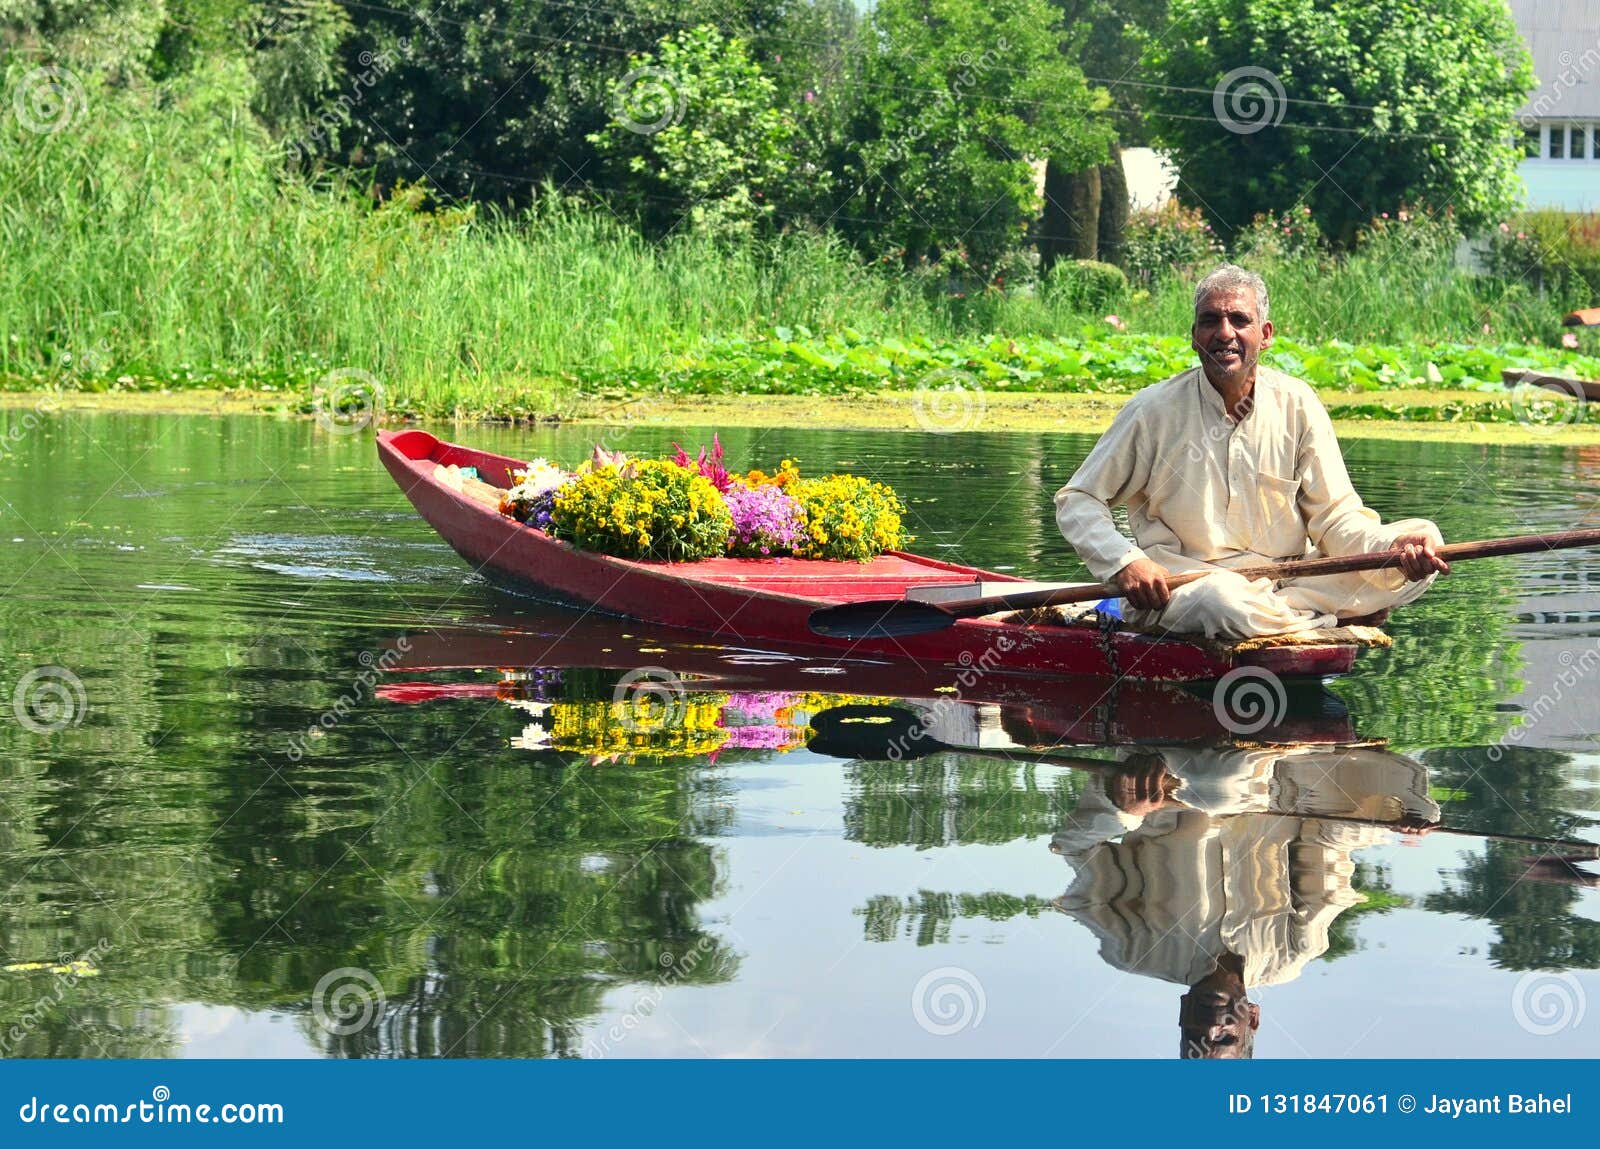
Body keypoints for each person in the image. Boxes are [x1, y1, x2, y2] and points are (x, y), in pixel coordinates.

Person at [1055, 264, 1450, 639]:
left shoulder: (1298, 403)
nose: (1224, 333)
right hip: (1190, 585)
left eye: (1239, 321)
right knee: (1222, 603)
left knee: (1425, 538)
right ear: (1194, 335)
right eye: (1210, 321)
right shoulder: (1152, 410)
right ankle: (1330, 620)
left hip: (1292, 583)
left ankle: (1290, 617)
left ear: (1265, 334)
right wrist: (1126, 563)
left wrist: (1390, 550)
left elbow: (1336, 520)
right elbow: (1077, 500)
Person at [1050, 742, 1441, 1058]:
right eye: (1224, 1039)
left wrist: (1124, 809)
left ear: (1183, 1015)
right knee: (1402, 793)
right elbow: (1323, 842)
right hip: (1280, 777)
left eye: (1196, 1037)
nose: (1211, 1026)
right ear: (1252, 1018)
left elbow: (1074, 847)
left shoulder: (1134, 950)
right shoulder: (1294, 953)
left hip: (1170, 765)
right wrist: (1382, 825)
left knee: (1219, 781)